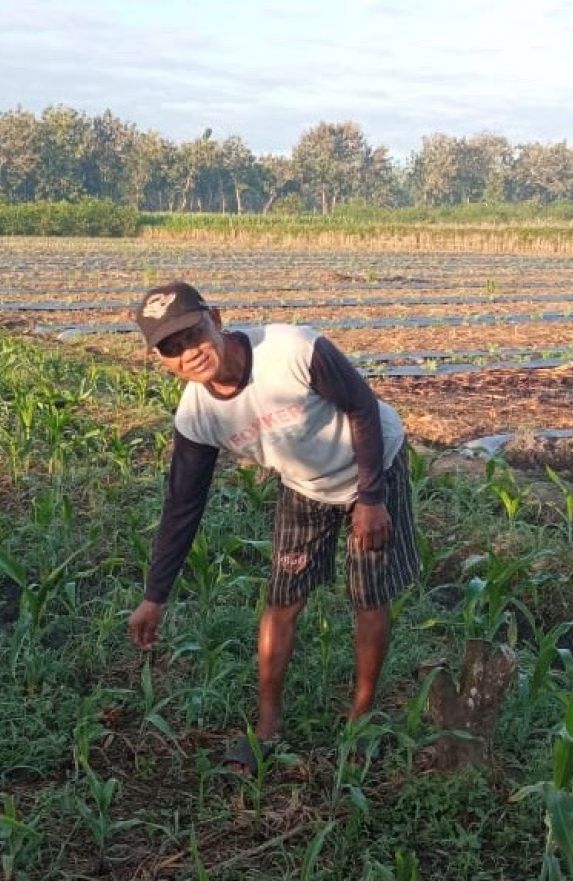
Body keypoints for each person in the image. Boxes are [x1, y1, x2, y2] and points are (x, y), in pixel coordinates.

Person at [126, 281, 420, 771]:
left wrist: (371, 499)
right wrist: (154, 595)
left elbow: (362, 405)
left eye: (192, 335)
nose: (188, 354)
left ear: (215, 319)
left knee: (368, 592)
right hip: (305, 483)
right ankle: (266, 728)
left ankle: (361, 718)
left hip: (373, 465)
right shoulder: (196, 416)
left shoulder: (292, 350)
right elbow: (182, 505)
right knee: (283, 598)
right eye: (170, 349)